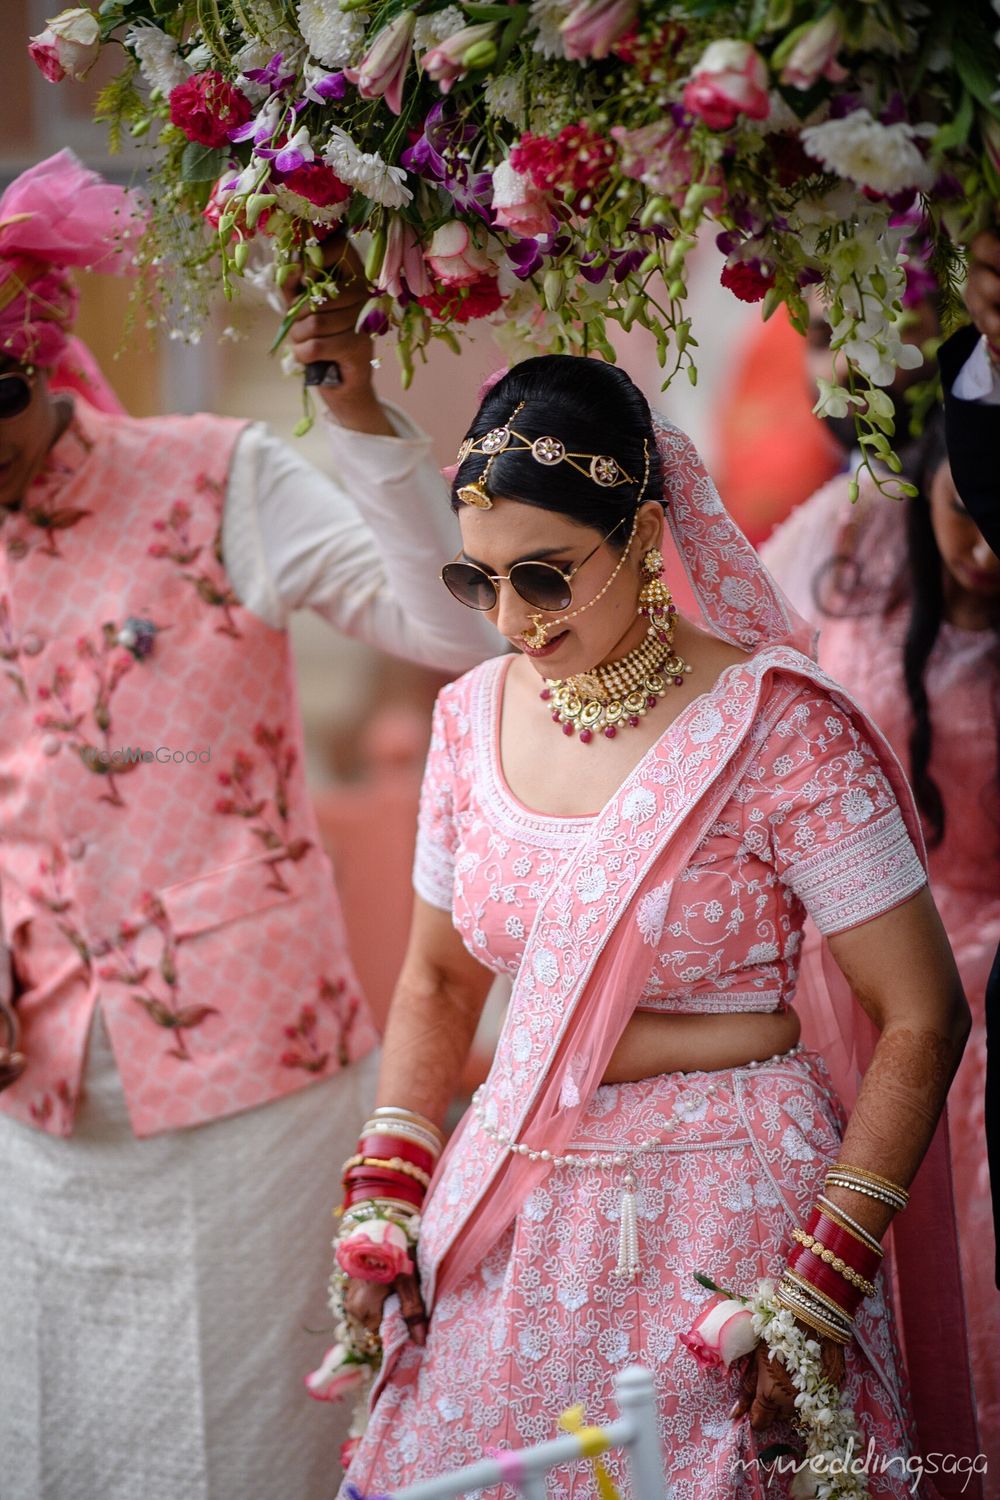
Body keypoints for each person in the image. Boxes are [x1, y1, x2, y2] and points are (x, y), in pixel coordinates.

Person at [326, 355, 980, 1498]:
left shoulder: (781, 729)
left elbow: (921, 1011)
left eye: (544, 577)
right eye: (479, 583)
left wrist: (821, 1279)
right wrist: (389, 1179)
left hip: (731, 1205)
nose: (512, 621)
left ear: (639, 537)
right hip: (512, 1196)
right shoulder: (465, 720)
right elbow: (436, 980)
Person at [0, 151, 498, 1500]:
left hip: (254, 1090)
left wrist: (355, 414)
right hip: (39, 1121)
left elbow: (451, 626)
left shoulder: (212, 474)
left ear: (29, 363)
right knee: (56, 1445)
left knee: (255, 1451)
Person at [762, 407, 1000, 1472]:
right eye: (964, 514)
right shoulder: (852, 535)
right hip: (836, 978)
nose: (986, 550)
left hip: (977, 999)